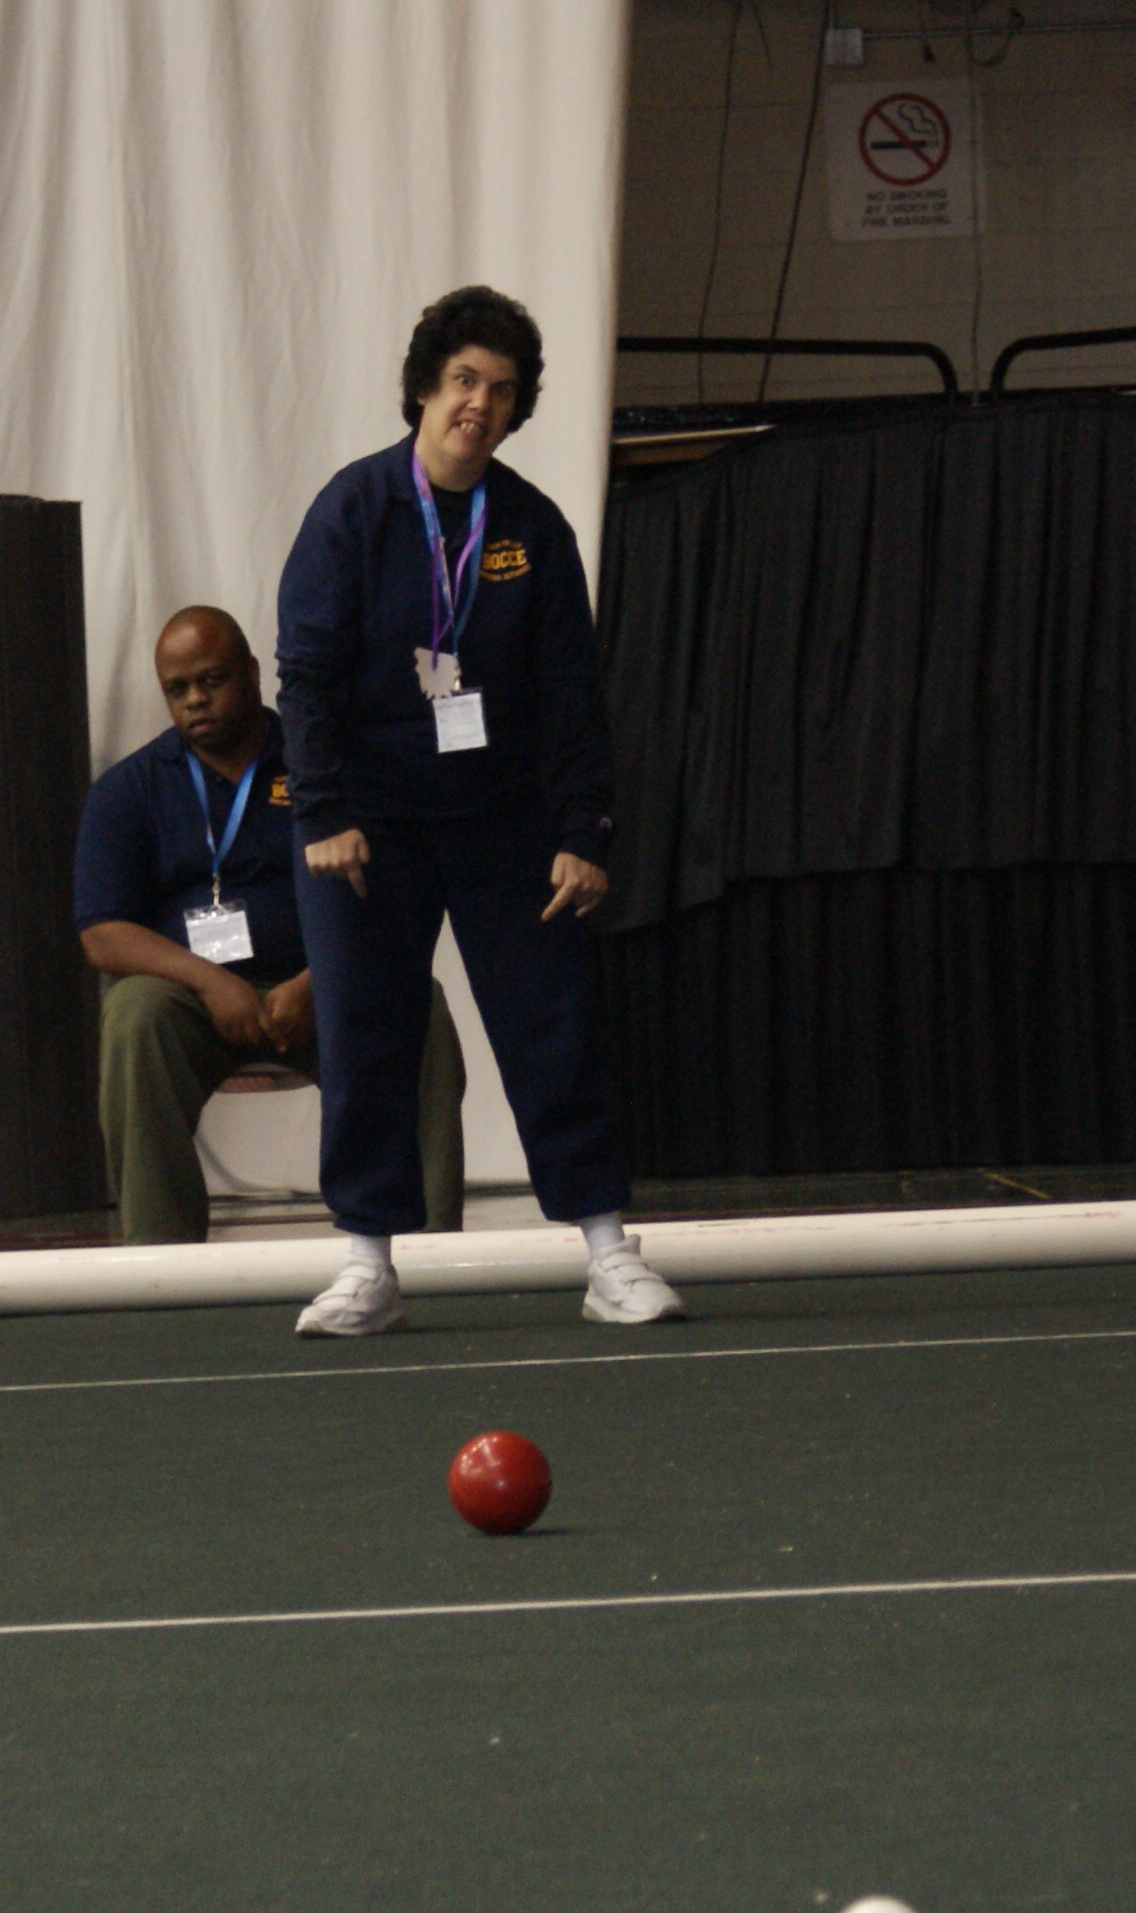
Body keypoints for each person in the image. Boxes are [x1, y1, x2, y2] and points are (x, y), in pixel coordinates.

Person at [275, 283, 682, 1338]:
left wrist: (579, 832)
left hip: (503, 824)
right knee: (366, 1038)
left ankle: (606, 1254)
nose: (478, 404)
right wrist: (321, 812)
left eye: (501, 390)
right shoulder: (353, 510)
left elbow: (571, 698)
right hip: (366, 831)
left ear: (516, 410)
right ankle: (367, 1265)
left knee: (553, 1030)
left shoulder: (531, 528)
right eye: (462, 380)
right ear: (423, 388)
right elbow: (306, 677)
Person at [76, 604, 466, 1242]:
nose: (196, 700)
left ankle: (422, 1244)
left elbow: (396, 896)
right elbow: (102, 933)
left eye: (211, 680)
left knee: (415, 1004)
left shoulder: (328, 767)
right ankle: (161, 1262)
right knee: (133, 1015)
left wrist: (319, 982)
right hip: (192, 1001)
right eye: (178, 690)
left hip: (322, 985)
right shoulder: (130, 790)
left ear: (253, 673)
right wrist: (210, 982)